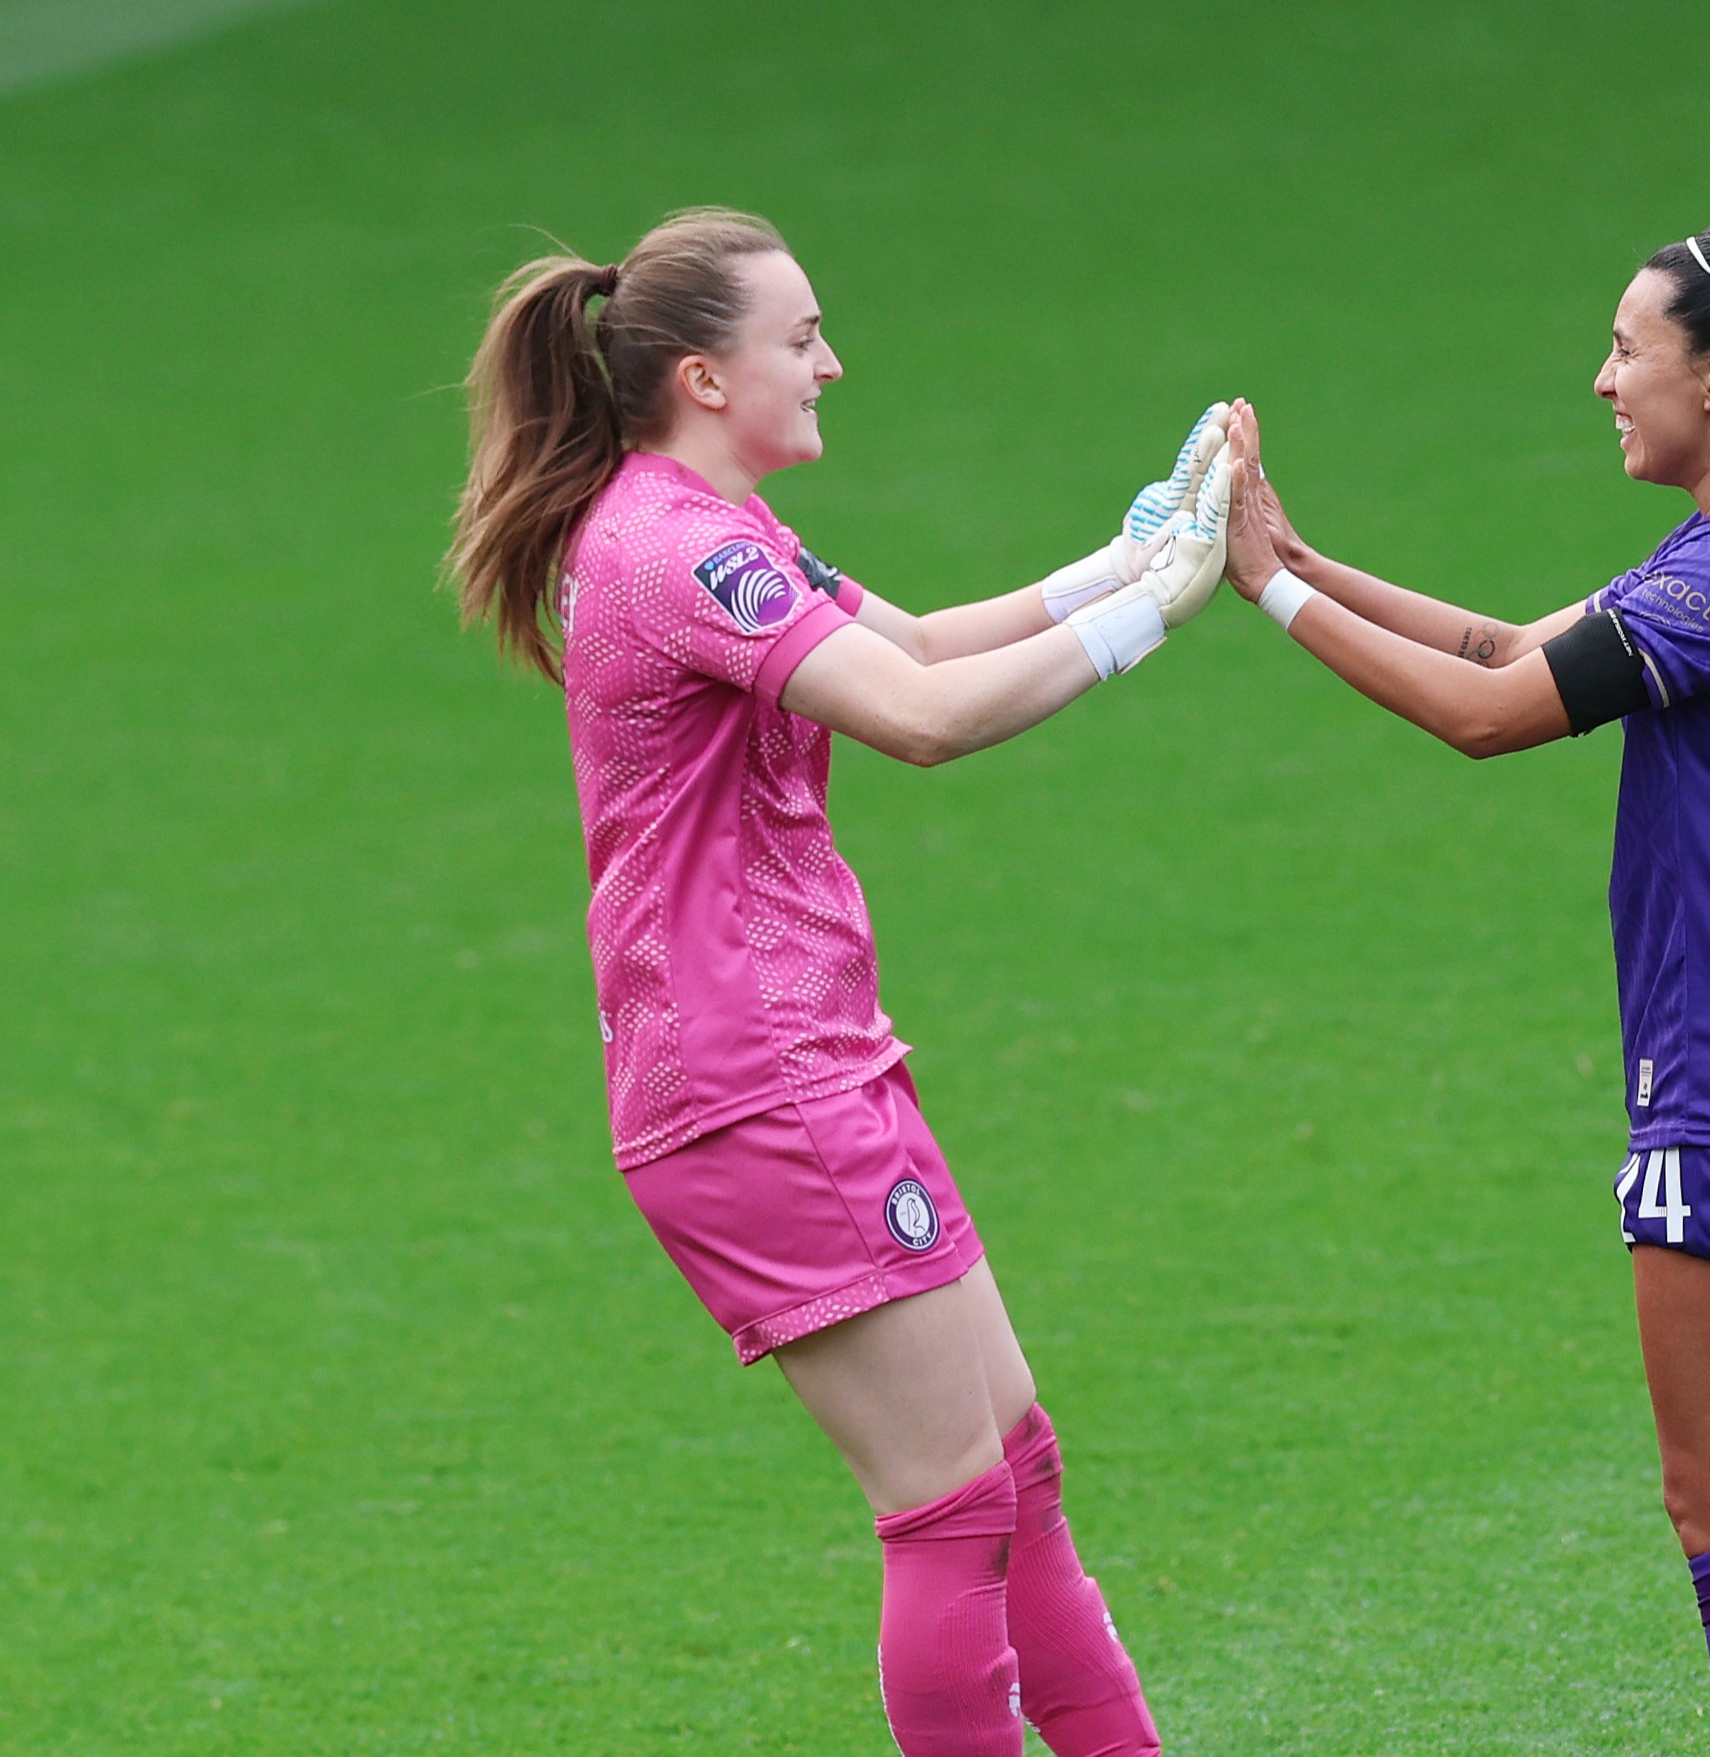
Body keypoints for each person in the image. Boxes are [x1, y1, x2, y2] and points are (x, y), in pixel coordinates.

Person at [446, 206, 1229, 1757]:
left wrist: (1128, 552)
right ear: (705, 374)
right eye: (801, 338)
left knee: (1015, 1468)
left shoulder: (709, 525)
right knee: (947, 1508)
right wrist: (1166, 607)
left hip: (808, 1067)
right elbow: (922, 722)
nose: (833, 363)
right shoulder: (676, 550)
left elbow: (926, 642)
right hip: (761, 1085)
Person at [1220, 223, 1710, 1757]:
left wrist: (1264, 602)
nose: (1603, 378)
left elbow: (1488, 716)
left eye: (1632, 348)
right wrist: (1295, 561)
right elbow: (1518, 643)